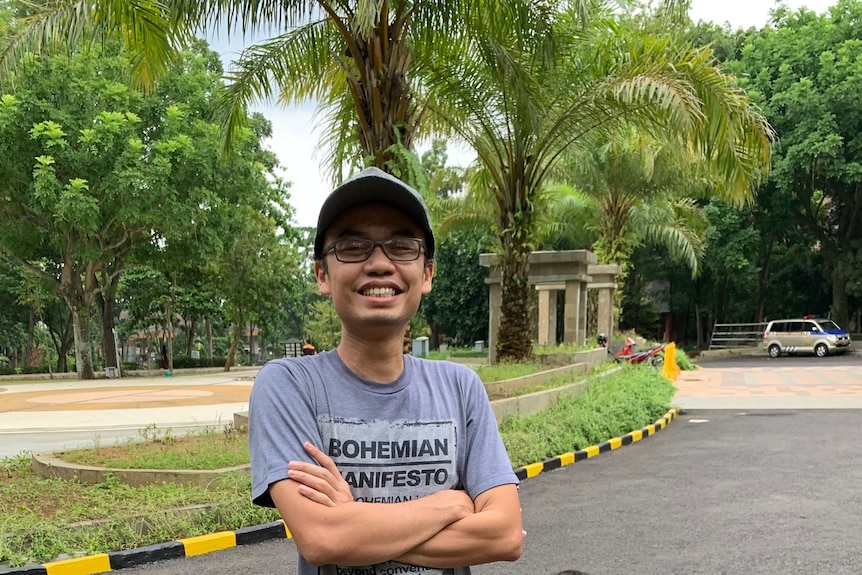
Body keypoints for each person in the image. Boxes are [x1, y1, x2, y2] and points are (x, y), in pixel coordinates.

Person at [249, 167, 523, 575]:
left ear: (426, 273)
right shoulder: (289, 385)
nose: (379, 264)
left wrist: (355, 522)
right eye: (353, 246)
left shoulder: (460, 388)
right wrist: (450, 504)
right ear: (322, 274)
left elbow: (504, 535)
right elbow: (323, 538)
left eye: (401, 246)